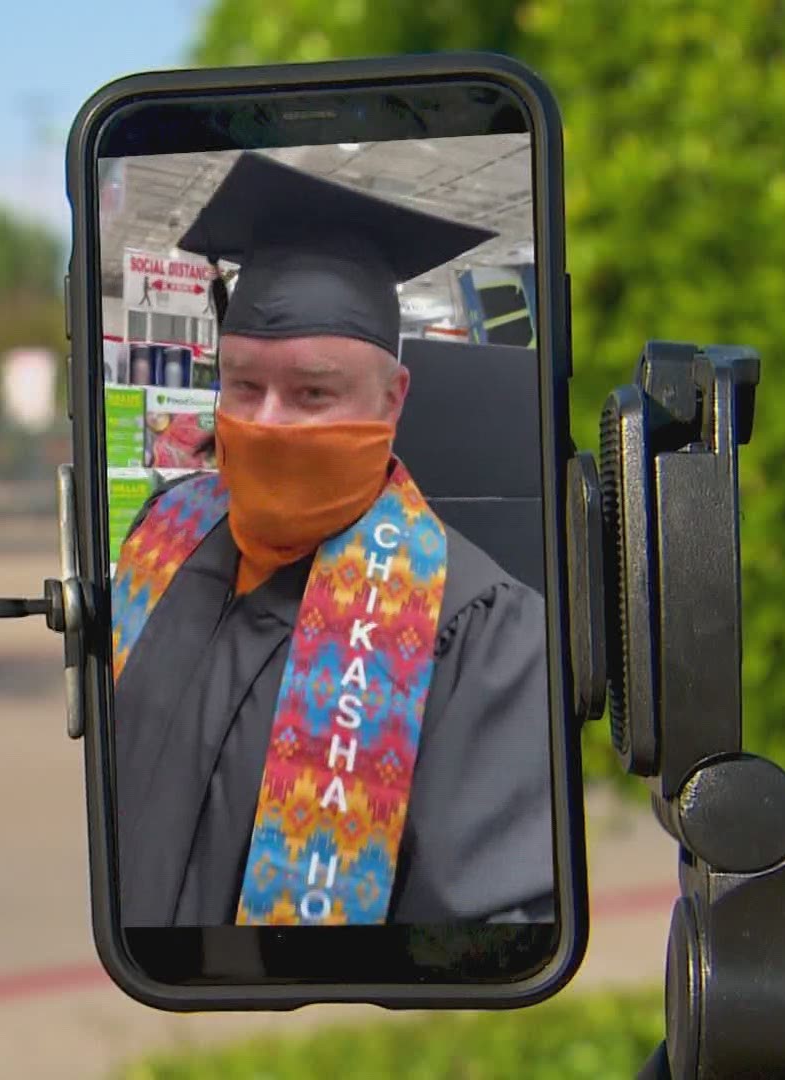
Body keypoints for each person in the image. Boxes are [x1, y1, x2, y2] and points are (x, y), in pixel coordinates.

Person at [111, 152, 553, 927]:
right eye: (244, 386)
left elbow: (485, 943)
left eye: (313, 393)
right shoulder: (165, 535)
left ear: (392, 400)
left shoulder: (482, 633)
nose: (268, 423)